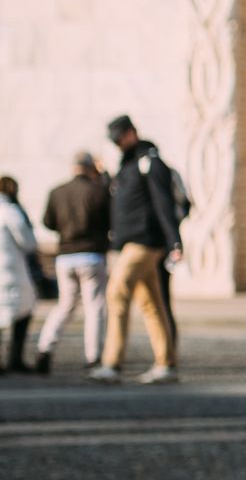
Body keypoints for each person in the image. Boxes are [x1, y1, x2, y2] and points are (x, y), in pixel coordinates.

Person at [95, 115, 180, 385]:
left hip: (144, 241)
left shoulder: (149, 162)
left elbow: (163, 203)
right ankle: (165, 362)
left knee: (116, 293)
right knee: (151, 303)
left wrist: (174, 241)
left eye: (121, 137)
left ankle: (111, 363)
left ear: (132, 133)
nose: (118, 143)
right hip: (131, 241)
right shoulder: (128, 164)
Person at [34, 152, 111, 374]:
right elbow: (109, 220)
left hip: (65, 255)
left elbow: (48, 222)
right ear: (89, 168)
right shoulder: (97, 192)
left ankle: (45, 348)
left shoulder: (57, 192)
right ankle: (93, 356)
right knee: (94, 306)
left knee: (65, 305)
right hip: (91, 254)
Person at [0, 177, 37, 372]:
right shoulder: (10, 212)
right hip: (10, 272)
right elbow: (29, 243)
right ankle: (15, 358)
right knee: (22, 312)